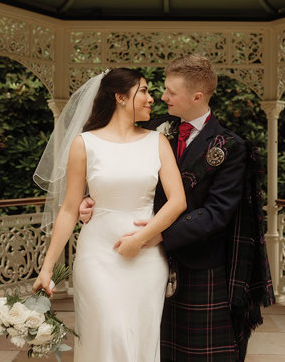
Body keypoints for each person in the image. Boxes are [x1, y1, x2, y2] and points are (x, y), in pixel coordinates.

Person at [80, 55, 272, 361]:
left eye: (170, 91)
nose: (161, 97)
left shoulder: (230, 146)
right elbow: (113, 165)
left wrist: (158, 236)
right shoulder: (150, 129)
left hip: (198, 265)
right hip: (141, 263)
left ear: (196, 96)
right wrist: (89, 198)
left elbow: (216, 213)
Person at [32, 68, 187, 362]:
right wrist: (47, 268)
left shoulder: (157, 142)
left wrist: (141, 239)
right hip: (97, 257)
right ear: (120, 97)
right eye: (143, 91)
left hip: (147, 259)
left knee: (141, 337)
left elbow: (178, 201)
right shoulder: (85, 144)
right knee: (106, 332)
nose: (151, 99)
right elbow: (68, 208)